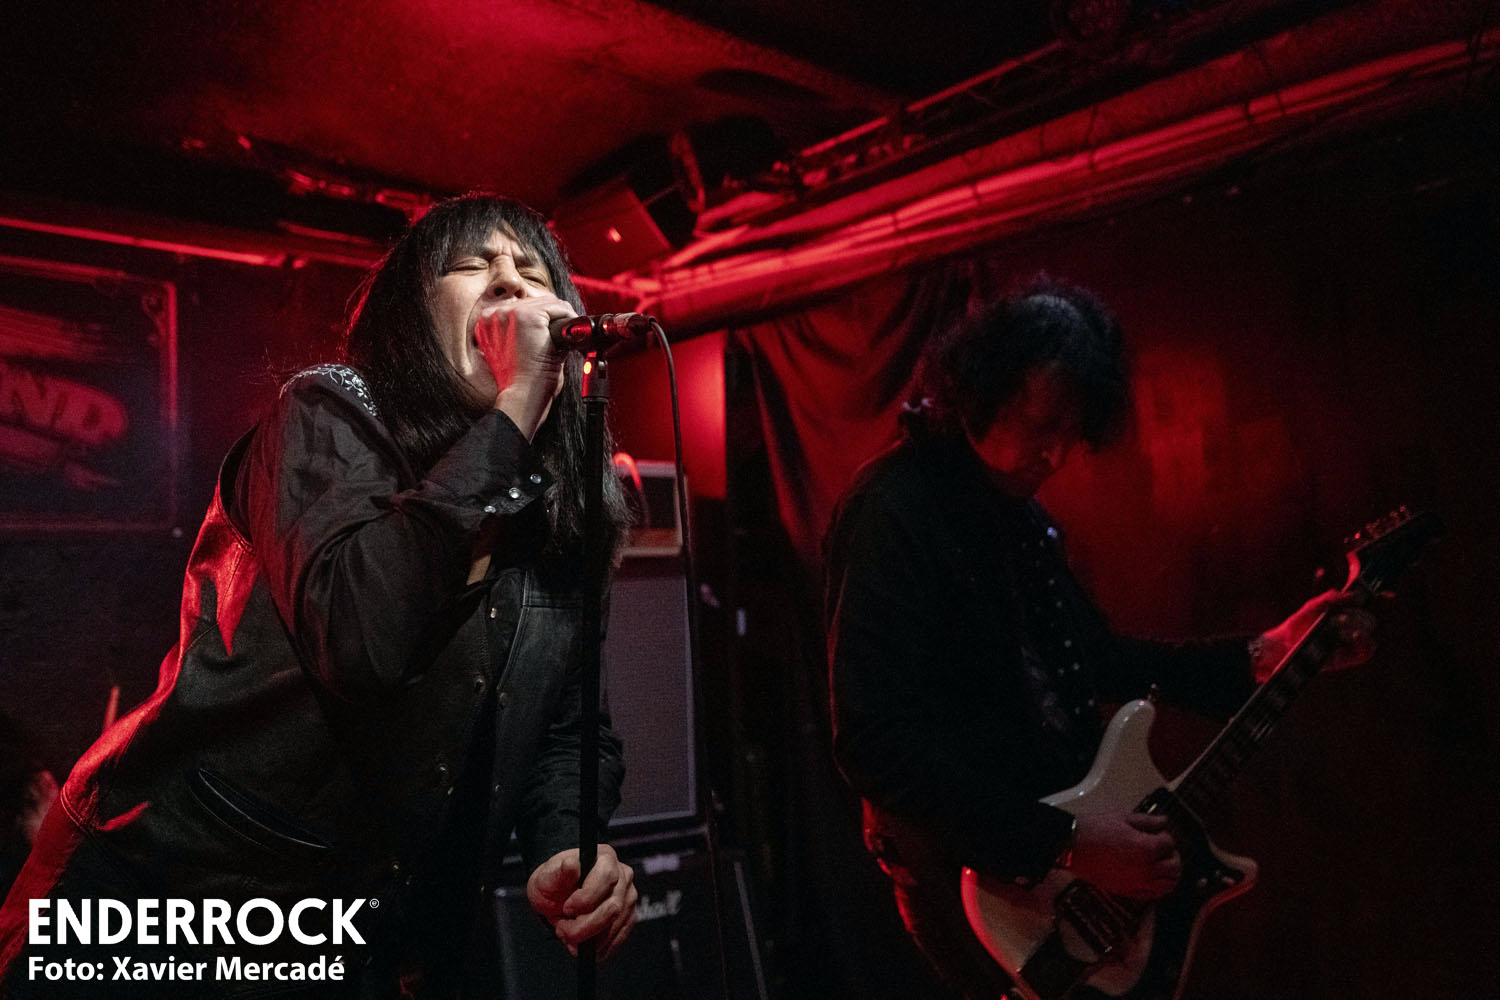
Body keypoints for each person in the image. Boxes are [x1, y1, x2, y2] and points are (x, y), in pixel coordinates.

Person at [0, 194, 637, 997]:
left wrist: (564, 843)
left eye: (532, 271)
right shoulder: (332, 411)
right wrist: (515, 409)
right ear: (416, 316)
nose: (509, 283)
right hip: (164, 890)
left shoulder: (565, 500)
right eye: (472, 266)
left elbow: (571, 727)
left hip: (353, 935)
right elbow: (362, 641)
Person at [824, 275, 1377, 999]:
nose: (1055, 454)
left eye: (1072, 433)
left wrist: (1261, 654)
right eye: (1040, 423)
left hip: (1054, 872)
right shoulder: (893, 510)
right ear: (982, 391)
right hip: (970, 876)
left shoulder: (1019, 515)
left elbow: (1098, 659)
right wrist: (1067, 843)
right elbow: (872, 740)